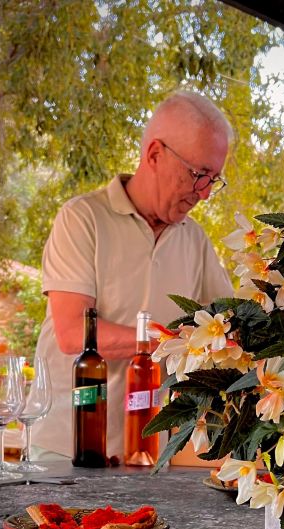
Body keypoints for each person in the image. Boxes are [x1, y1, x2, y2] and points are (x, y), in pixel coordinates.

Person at [33, 91, 234, 460]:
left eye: (214, 180)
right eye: (199, 175)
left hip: (149, 456)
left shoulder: (195, 239)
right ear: (155, 154)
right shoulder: (83, 218)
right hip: (65, 451)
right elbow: (72, 332)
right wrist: (173, 341)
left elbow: (229, 327)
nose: (204, 194)